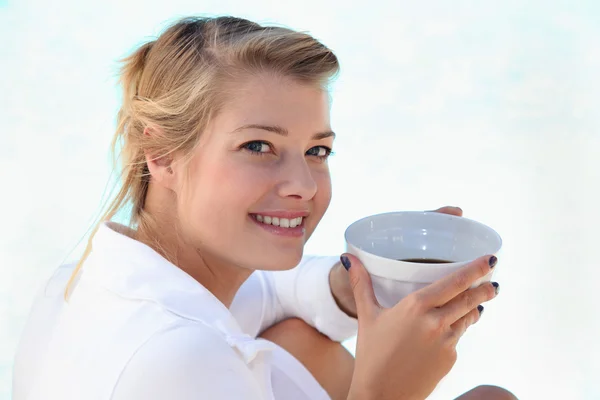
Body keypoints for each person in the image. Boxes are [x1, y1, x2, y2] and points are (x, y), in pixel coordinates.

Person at [12, 16, 517, 400]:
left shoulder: (85, 281)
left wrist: (357, 286)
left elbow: (264, 295)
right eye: (258, 146)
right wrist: (385, 389)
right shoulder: (178, 359)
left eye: (318, 150)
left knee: (297, 336)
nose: (303, 186)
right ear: (162, 154)